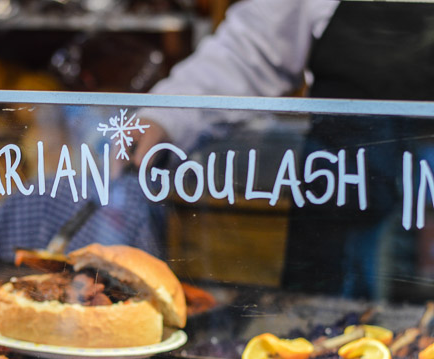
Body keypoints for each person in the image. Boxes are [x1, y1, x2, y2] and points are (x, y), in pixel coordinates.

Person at [135, 0, 434, 299]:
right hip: (337, 208)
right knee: (319, 333)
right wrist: (165, 115)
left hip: (418, 208)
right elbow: (247, 51)